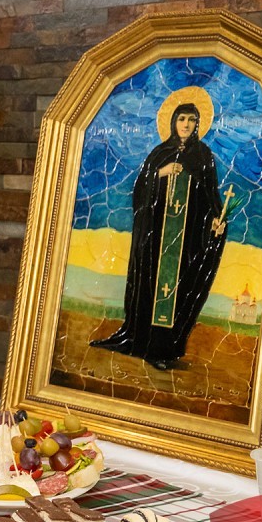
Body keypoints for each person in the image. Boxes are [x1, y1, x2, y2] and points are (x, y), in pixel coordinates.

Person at [90, 102, 228, 370]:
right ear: (173, 122)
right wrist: (161, 173)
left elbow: (210, 194)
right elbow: (141, 189)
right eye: (181, 119)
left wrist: (215, 220)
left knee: (179, 290)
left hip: (187, 238)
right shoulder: (159, 153)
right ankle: (144, 343)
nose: (186, 124)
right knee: (152, 287)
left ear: (198, 124)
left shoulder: (203, 155)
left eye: (191, 120)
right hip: (157, 237)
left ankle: (165, 349)